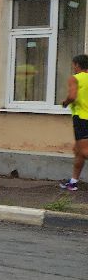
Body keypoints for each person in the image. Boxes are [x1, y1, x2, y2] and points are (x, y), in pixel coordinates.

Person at [58, 54, 88, 191]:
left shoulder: (74, 78)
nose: (73, 67)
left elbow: (72, 96)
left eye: (73, 65)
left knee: (84, 151)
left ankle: (73, 182)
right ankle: (73, 182)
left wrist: (65, 103)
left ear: (77, 65)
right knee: (78, 151)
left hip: (82, 118)